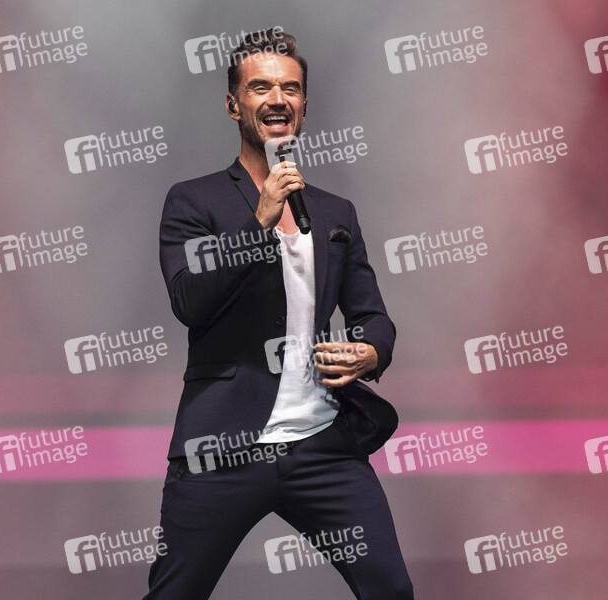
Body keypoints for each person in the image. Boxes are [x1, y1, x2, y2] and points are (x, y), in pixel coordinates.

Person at [148, 29, 415, 599]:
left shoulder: (335, 212)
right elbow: (189, 302)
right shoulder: (193, 201)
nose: (277, 99)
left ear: (304, 106)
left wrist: (370, 351)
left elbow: (373, 315)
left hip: (322, 443)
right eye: (261, 87)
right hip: (223, 446)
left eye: (290, 89)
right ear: (233, 105)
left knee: (390, 590)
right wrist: (260, 221)